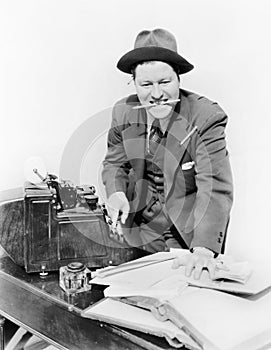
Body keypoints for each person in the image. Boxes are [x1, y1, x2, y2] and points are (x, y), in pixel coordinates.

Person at [102, 28, 233, 279]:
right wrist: (116, 193)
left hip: (189, 237)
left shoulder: (206, 116)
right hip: (138, 232)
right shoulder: (123, 112)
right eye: (146, 84)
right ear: (134, 82)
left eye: (164, 82)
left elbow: (214, 185)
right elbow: (114, 164)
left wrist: (204, 249)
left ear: (179, 79)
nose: (157, 94)